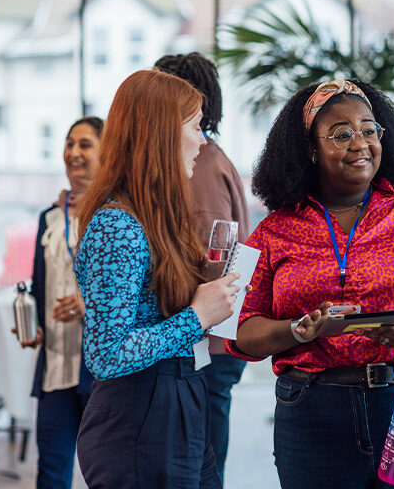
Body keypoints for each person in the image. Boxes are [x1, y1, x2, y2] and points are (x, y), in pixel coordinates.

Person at [225, 79, 394, 488]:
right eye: (341, 134)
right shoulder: (273, 232)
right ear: (310, 149)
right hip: (314, 414)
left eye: (369, 130)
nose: (360, 144)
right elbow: (239, 330)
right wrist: (297, 331)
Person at [74, 69, 240, 488]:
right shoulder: (117, 225)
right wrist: (196, 316)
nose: (204, 140)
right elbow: (106, 354)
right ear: (162, 133)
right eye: (196, 126)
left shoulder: (155, 218)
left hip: (175, 402)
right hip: (138, 418)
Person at [153, 52, 250, 482]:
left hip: (204, 343)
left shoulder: (199, 166)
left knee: (199, 469)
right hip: (204, 338)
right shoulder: (206, 158)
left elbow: (210, 262)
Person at [23, 115, 102, 488]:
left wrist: (90, 304)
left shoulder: (115, 215)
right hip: (55, 363)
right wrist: (33, 322)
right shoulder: (49, 217)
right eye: (70, 144)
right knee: (50, 472)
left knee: (104, 471)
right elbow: (42, 284)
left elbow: (138, 290)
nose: (73, 152)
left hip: (99, 368)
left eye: (85, 145)